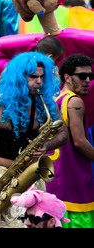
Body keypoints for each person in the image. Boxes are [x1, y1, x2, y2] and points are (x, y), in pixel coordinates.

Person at [0, 51, 69, 228]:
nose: (39, 82)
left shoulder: (46, 104)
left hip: (31, 176)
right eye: (33, 77)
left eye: (42, 77)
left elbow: (63, 134)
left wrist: (46, 145)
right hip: (0, 175)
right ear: (19, 77)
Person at [46, 54, 94, 228]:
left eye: (90, 76)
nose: (87, 80)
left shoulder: (54, 100)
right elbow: (80, 142)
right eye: (82, 76)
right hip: (75, 184)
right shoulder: (75, 101)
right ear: (66, 77)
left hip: (56, 182)